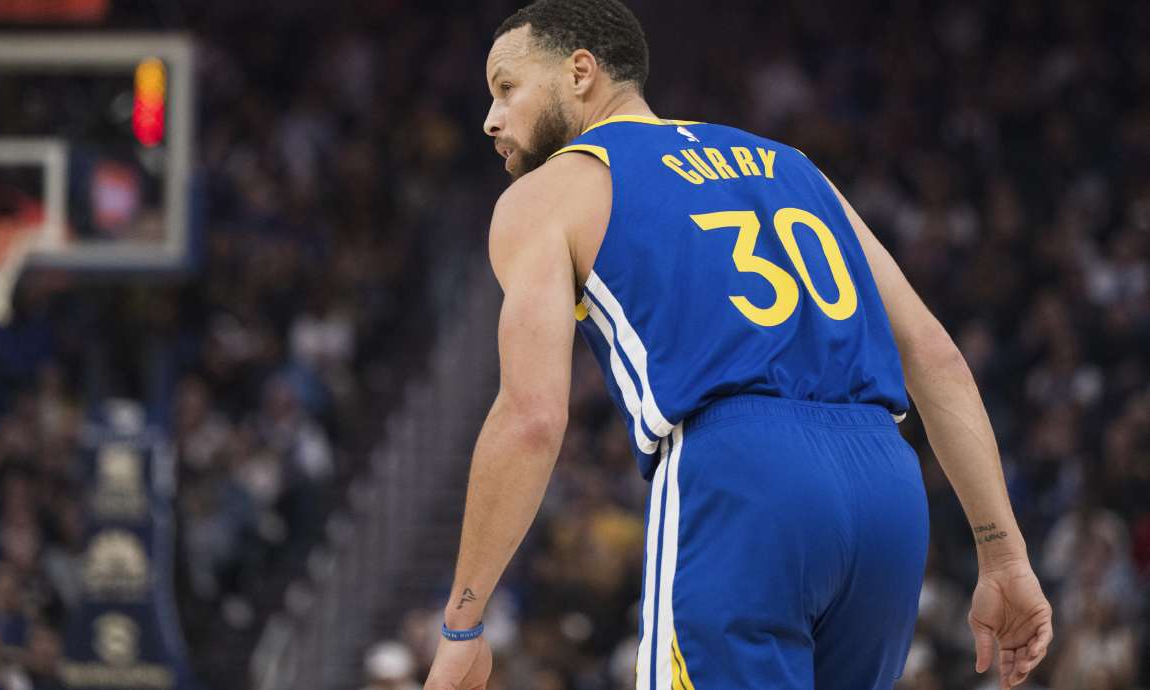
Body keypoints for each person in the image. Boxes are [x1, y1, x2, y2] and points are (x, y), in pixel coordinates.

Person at [424, 1, 1053, 689]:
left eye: (506, 87)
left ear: (580, 72)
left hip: (741, 477)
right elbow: (936, 358)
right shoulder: (794, 167)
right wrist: (1004, 554)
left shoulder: (549, 194)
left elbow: (532, 418)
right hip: (887, 485)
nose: (491, 117)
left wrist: (464, 624)